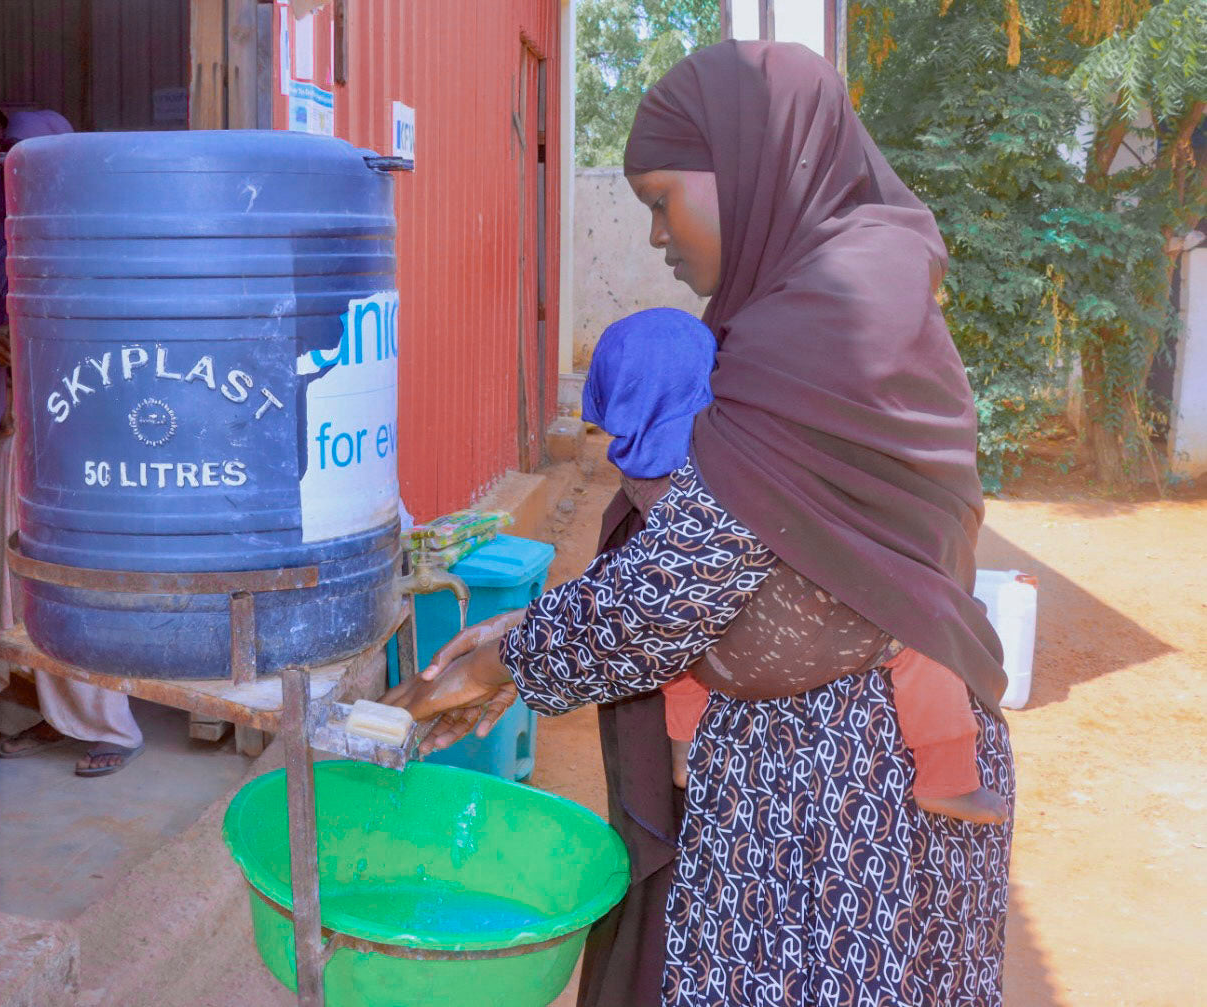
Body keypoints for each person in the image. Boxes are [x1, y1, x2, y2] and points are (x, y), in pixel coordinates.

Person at [387, 41, 1014, 1006]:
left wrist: (500, 661)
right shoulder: (838, 309)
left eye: (660, 199)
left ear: (754, 170)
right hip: (831, 781)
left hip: (839, 803)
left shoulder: (822, 332)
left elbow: (676, 589)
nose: (654, 237)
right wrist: (523, 644)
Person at [585, 306, 1007, 825]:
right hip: (799, 630)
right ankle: (947, 778)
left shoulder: (636, 473)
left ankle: (684, 754)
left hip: (709, 645)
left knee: (678, 661)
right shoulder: (735, 447)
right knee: (926, 627)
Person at [0, 114, 145, 777]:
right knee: (12, 581)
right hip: (16, 423)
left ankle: (108, 721)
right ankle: (50, 713)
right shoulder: (6, 230)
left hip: (76, 426)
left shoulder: (93, 227)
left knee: (73, 576)